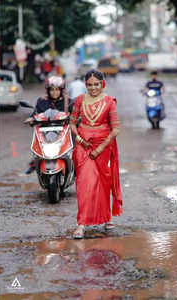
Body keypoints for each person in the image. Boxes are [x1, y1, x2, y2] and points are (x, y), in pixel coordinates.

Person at [70, 69, 122, 239]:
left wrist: (99, 149)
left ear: (102, 84)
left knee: (103, 183)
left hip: (103, 147)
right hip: (83, 146)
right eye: (90, 85)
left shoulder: (109, 102)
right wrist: (80, 140)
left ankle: (107, 218)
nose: (93, 88)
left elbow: (115, 130)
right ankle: (81, 224)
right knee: (84, 184)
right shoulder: (79, 100)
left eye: (96, 84)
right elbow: (72, 124)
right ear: (86, 85)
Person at [24, 76, 69, 174]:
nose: (54, 92)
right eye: (52, 90)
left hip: (63, 132)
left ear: (61, 90)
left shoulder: (67, 101)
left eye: (57, 90)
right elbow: (35, 114)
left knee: (75, 151)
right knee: (37, 147)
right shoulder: (42, 101)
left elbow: (75, 112)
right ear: (48, 90)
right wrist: (31, 119)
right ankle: (34, 163)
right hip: (45, 132)